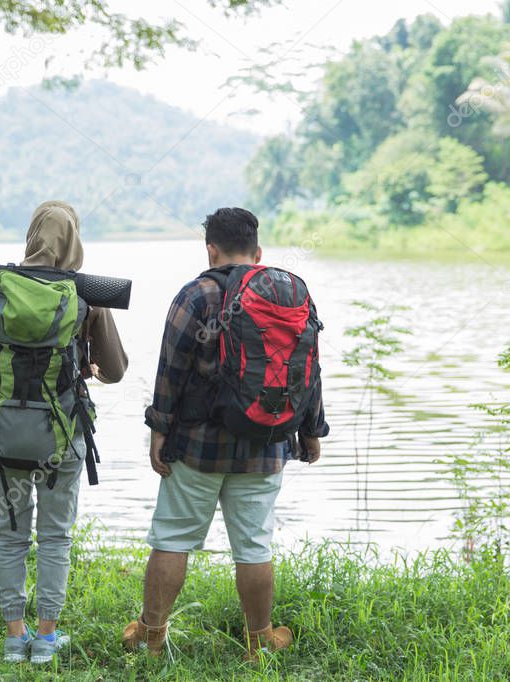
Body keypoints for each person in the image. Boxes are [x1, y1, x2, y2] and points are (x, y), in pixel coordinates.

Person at [123, 207, 329, 661]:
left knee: (173, 537)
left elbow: (169, 369)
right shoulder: (289, 294)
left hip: (197, 446)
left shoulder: (196, 295)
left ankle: (152, 635)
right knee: (254, 545)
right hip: (267, 442)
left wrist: (159, 429)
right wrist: (312, 430)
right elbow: (307, 369)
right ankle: (259, 641)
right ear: (258, 252)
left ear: (210, 249)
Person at [0, 200, 128, 664]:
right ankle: (47, 638)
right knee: (55, 537)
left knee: (10, 535)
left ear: (33, 234)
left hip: (3, 435)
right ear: (73, 241)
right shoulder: (84, 294)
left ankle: (15, 639)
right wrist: (86, 365)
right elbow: (115, 370)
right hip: (62, 438)